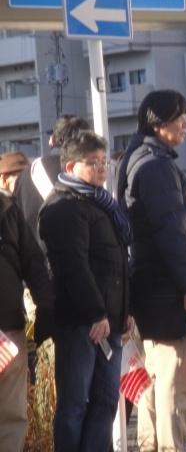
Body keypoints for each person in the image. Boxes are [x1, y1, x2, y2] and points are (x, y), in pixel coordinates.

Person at [117, 90, 186, 451]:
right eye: (180, 118)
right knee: (178, 381)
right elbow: (171, 230)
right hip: (169, 288)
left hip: (151, 285)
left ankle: (153, 445)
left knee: (156, 377)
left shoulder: (139, 157)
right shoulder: (155, 165)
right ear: (158, 123)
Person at [39, 131, 130, 451]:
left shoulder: (100, 202)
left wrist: (124, 311)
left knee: (105, 401)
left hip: (109, 319)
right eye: (92, 163)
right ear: (70, 166)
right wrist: (96, 313)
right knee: (74, 405)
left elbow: (115, 262)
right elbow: (73, 266)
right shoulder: (64, 206)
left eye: (104, 162)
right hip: (81, 321)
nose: (101, 168)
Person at [0, 165, 54, 450]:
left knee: (13, 414)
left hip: (10, 327)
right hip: (8, 324)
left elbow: (33, 261)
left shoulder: (8, 207)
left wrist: (46, 304)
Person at [14, 115, 89, 250]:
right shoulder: (88, 172)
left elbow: (16, 223)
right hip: (79, 256)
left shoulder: (28, 173)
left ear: (52, 140)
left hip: (37, 261)